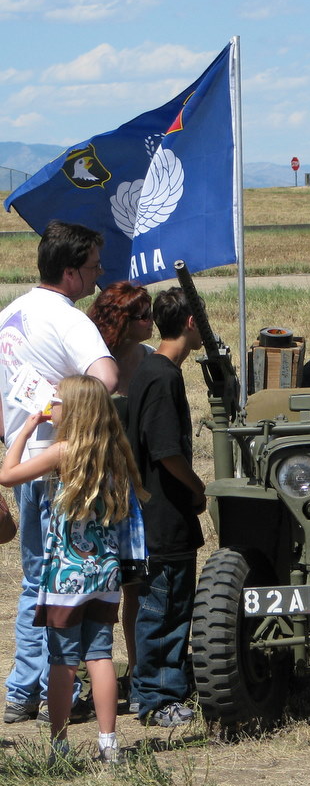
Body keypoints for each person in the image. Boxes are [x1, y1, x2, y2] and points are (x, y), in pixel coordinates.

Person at [0, 220, 118, 724]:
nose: (97, 274)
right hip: (60, 466)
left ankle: (22, 691)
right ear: (70, 272)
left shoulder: (9, 315)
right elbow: (105, 375)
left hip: (24, 459)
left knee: (35, 579)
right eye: (92, 266)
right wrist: (75, 418)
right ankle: (56, 690)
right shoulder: (68, 319)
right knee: (66, 583)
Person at [0, 375, 148, 763]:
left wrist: (27, 428)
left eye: (58, 402)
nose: (53, 408)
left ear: (74, 411)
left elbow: (7, 475)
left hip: (65, 575)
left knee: (62, 660)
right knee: (100, 655)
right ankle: (108, 743)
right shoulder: (113, 453)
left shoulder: (62, 452)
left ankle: (60, 745)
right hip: (105, 571)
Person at [126, 287, 206, 727]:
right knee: (165, 608)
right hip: (162, 517)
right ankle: (157, 698)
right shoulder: (163, 377)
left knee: (167, 605)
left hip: (155, 515)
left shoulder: (151, 369)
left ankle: (159, 687)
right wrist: (197, 487)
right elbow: (166, 451)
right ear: (190, 323)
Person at [88, 281, 154, 708]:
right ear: (122, 322)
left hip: (138, 490)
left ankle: (137, 669)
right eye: (143, 315)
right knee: (99, 587)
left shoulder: (149, 359)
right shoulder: (96, 364)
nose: (151, 322)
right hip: (102, 490)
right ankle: (90, 672)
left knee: (137, 586)